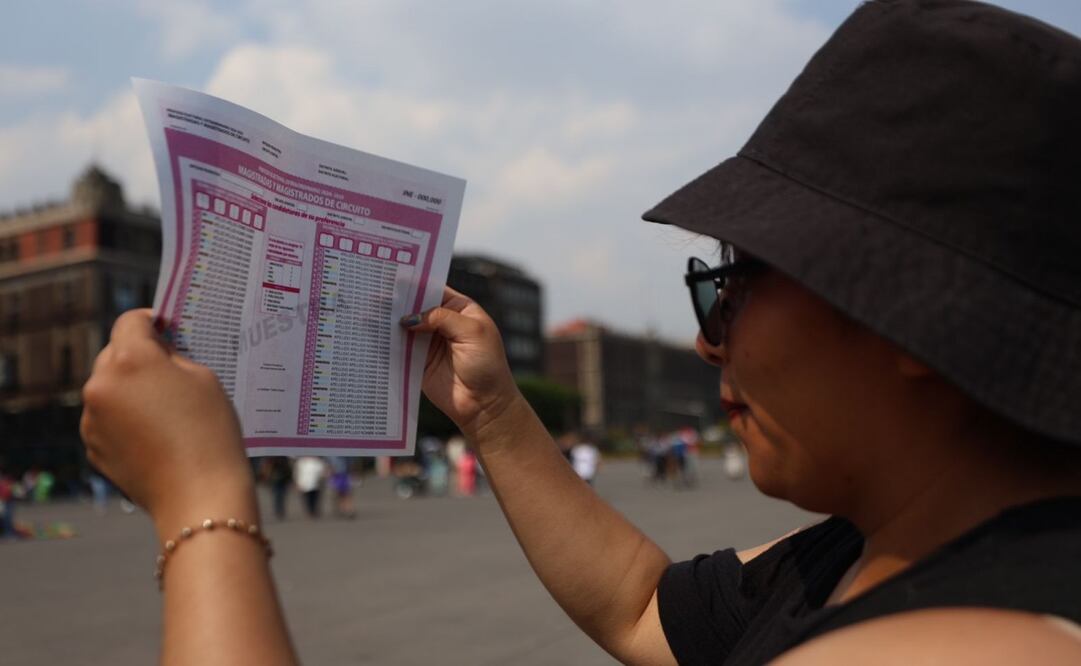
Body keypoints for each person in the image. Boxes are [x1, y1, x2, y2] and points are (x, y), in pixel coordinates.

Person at [78, 2, 1081, 663]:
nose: (710, 338)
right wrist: (497, 415)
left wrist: (201, 503)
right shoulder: (888, 554)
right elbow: (645, 610)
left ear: (905, 313)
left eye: (732, 283)